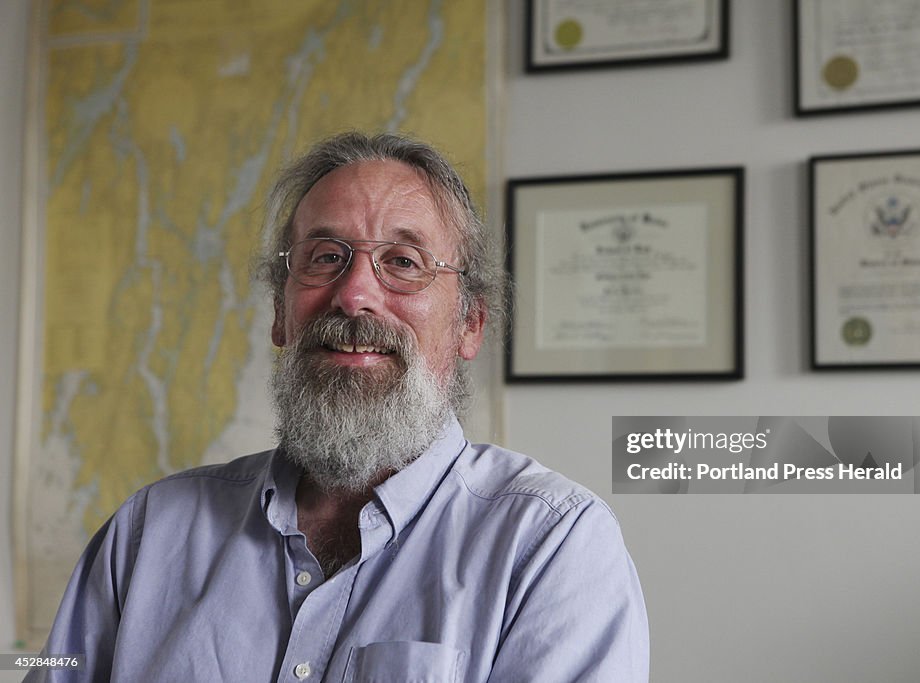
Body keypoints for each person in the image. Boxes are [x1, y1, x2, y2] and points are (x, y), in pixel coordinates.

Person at [29, 132, 649, 682]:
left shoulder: (551, 546)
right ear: (279, 312)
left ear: (470, 325)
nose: (354, 296)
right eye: (325, 258)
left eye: (404, 263)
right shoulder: (144, 532)